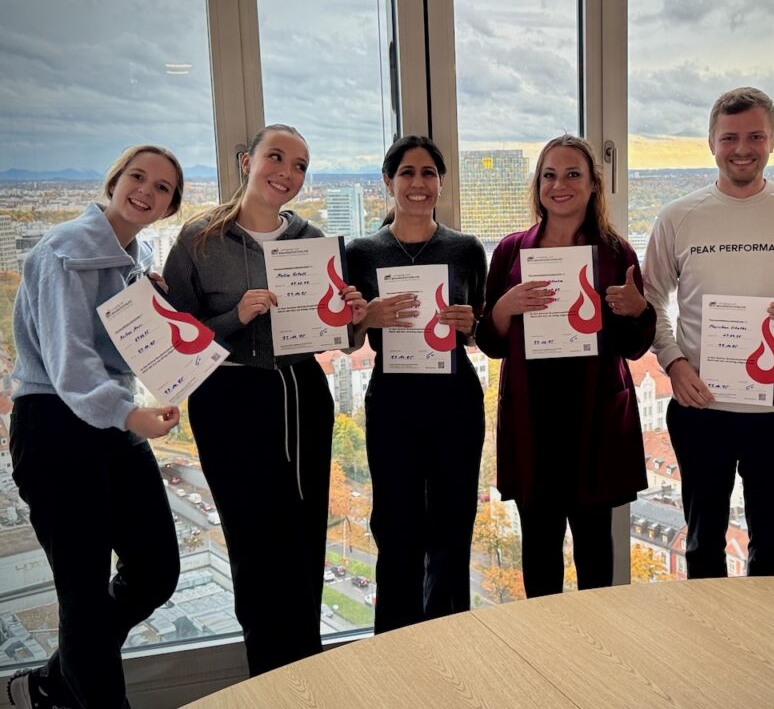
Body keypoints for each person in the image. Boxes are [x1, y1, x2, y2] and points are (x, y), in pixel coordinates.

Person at [162, 124, 366, 675]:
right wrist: (237, 316)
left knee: (304, 537)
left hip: (301, 393)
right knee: (252, 542)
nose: (288, 173)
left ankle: (308, 667)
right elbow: (178, 339)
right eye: (277, 157)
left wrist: (350, 316)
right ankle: (269, 676)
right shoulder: (199, 238)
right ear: (247, 160)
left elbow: (343, 341)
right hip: (229, 397)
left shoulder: (312, 239)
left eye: (300, 166)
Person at [7, 145, 184, 708]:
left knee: (155, 569)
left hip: (109, 418)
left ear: (168, 206)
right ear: (114, 180)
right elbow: (70, 363)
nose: (147, 192)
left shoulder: (135, 255)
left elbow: (126, 349)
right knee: (82, 595)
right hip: (54, 423)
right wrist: (131, 415)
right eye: (139, 177)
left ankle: (57, 681)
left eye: (162, 188)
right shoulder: (63, 250)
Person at [643, 87, 774, 579]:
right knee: (703, 541)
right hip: (700, 406)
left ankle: (767, 649)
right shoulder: (678, 216)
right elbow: (650, 300)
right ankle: (707, 648)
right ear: (711, 142)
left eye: (755, 136)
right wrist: (674, 363)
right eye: (729, 137)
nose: (742, 148)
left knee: (772, 542)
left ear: (773, 141)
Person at [475, 134, 655, 597]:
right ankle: (545, 656)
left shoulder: (617, 253)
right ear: (537, 185)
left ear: (594, 184)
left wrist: (637, 310)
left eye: (573, 173)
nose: (560, 185)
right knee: (538, 550)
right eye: (549, 175)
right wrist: (505, 307)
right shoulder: (511, 252)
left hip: (594, 417)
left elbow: (634, 348)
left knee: (596, 552)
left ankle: (598, 656)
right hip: (534, 418)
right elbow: (489, 342)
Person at [346, 135, 487, 633]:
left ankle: (451, 643)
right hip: (394, 404)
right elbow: (344, 339)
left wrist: (471, 323)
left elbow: (484, 334)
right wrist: (369, 318)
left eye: (429, 173)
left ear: (441, 184)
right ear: (388, 182)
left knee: (453, 531)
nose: (418, 183)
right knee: (396, 530)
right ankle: (398, 651)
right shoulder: (361, 252)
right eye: (407, 173)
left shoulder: (466, 248)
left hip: (455, 401)